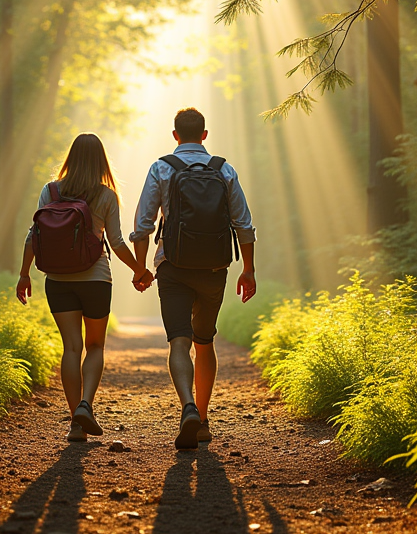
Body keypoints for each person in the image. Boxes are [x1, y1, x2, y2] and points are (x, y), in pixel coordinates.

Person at [130, 107, 257, 450]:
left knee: (179, 341)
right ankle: (201, 419)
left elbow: (143, 225)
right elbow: (243, 223)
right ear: (204, 135)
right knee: (205, 341)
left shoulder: (161, 167)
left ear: (175, 136)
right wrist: (248, 269)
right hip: (214, 268)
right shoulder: (223, 169)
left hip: (173, 266)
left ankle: (186, 404)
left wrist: (140, 267)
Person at [17, 133, 154, 442]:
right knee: (94, 347)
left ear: (71, 158)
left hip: (58, 280)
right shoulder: (106, 195)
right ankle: (85, 405)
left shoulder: (50, 191)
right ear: (100, 161)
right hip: (95, 279)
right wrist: (140, 271)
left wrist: (24, 274)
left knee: (71, 347)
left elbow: (33, 235)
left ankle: (75, 425)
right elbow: (116, 242)